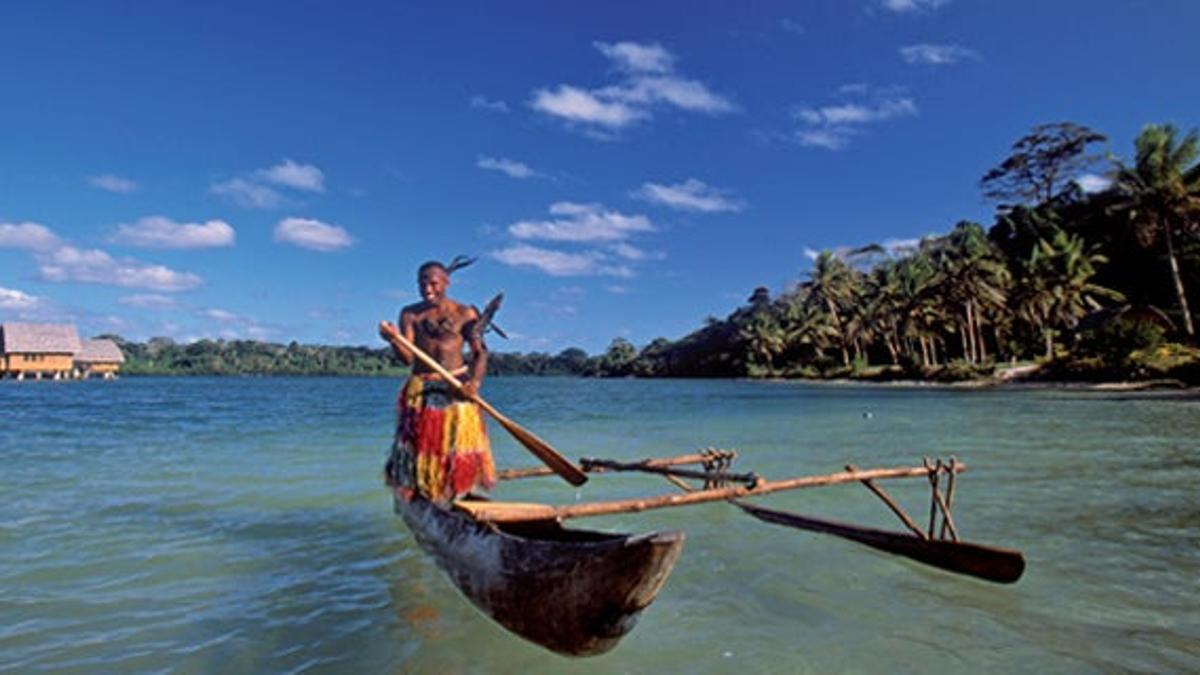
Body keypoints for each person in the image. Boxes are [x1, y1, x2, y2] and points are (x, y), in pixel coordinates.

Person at [379, 256, 495, 503]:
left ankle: (455, 494)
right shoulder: (410, 314)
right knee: (417, 447)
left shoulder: (465, 313)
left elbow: (480, 353)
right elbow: (408, 358)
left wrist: (473, 384)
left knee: (455, 447)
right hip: (421, 387)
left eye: (433, 283)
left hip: (457, 386)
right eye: (422, 283)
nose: (427, 289)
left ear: (446, 282)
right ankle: (422, 493)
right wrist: (394, 340)